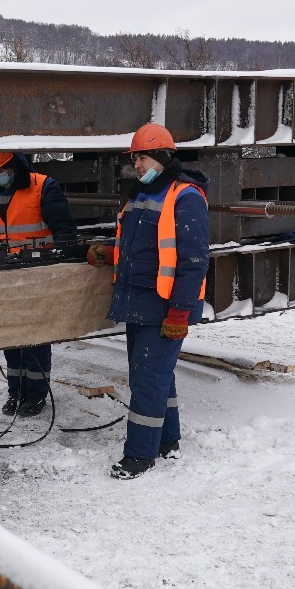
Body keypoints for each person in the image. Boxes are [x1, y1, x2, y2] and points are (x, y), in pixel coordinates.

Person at [84, 125, 210, 479]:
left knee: (146, 380)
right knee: (155, 377)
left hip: (165, 305)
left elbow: (194, 260)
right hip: (139, 301)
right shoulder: (141, 195)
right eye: (134, 158)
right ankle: (167, 441)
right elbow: (141, 248)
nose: (136, 164)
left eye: (141, 157)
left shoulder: (186, 197)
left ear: (161, 157)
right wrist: (109, 253)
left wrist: (180, 312)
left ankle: (139, 455)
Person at [0, 152, 76, 417]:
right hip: (5, 277)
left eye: (1, 169)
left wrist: (60, 262)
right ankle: (16, 392)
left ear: (15, 166)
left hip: (37, 276)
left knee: (35, 338)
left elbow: (65, 232)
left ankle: (36, 394)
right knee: (12, 336)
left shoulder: (43, 187)